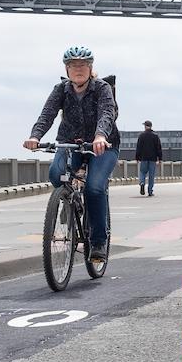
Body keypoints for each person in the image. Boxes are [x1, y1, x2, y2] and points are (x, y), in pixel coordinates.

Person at [22, 46, 120, 262]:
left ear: (90, 68)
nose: (78, 69)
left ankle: (98, 242)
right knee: (56, 175)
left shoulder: (102, 88)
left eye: (83, 65)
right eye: (73, 65)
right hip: (69, 143)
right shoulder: (61, 90)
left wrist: (100, 136)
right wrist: (35, 136)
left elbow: (107, 113)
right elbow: (47, 114)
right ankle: (69, 200)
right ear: (67, 69)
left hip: (102, 146)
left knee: (94, 188)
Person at [135, 120, 162, 197]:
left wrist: (137, 157)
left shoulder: (141, 136)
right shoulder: (155, 136)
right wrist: (160, 158)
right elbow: (158, 148)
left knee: (142, 172)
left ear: (145, 126)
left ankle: (142, 183)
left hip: (143, 158)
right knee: (151, 175)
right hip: (153, 159)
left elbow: (138, 147)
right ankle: (150, 191)